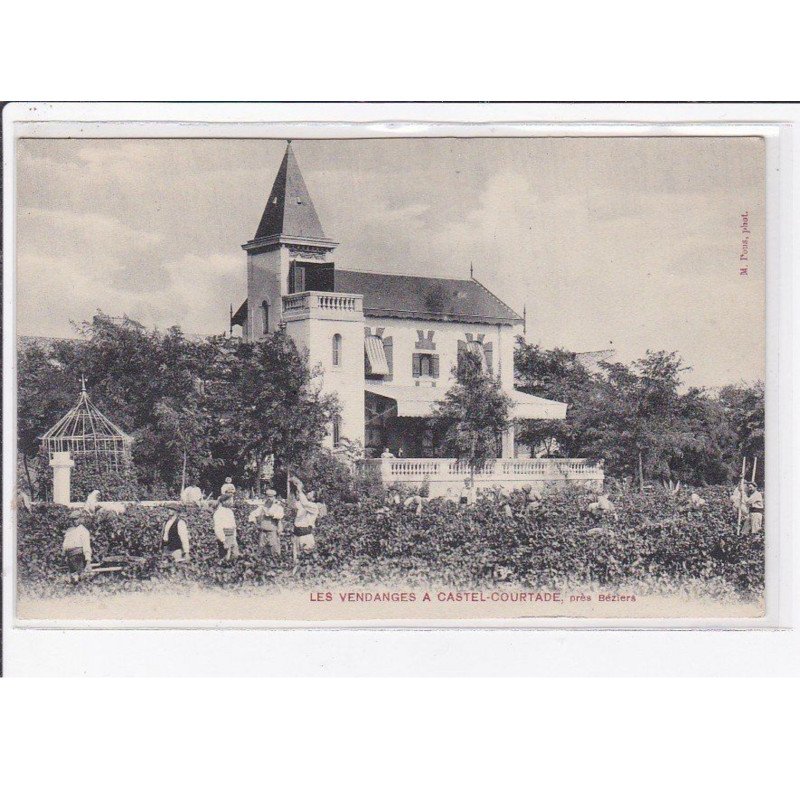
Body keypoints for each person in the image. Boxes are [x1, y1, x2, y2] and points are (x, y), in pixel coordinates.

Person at [289, 476, 323, 574]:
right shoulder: (305, 505)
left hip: (305, 535)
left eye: (311, 493)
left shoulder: (313, 506)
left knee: (307, 556)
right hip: (297, 533)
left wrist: (300, 489)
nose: (309, 493)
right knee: (296, 557)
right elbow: (295, 503)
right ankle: (296, 574)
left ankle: (309, 574)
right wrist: (295, 487)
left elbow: (303, 502)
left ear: (314, 498)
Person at [250, 489, 285, 559]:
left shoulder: (278, 507)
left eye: (271, 497)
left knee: (274, 551)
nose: (269, 498)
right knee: (261, 550)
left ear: (274, 497)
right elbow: (252, 514)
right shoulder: (262, 507)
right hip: (263, 532)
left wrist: (271, 515)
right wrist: (254, 522)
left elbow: (280, 516)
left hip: (272, 532)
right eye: (268, 496)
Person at [62, 510, 92, 583]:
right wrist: (64, 555)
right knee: (73, 577)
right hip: (70, 556)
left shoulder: (83, 531)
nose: (74, 521)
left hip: (78, 556)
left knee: (80, 576)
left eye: (76, 519)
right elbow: (65, 544)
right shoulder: (69, 531)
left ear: (80, 519)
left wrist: (88, 561)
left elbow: (86, 546)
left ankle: (83, 589)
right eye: (72, 519)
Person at [213, 495, 239, 560]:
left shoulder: (230, 511)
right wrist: (223, 541)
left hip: (232, 536)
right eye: (228, 500)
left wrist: (234, 537)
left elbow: (233, 525)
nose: (230, 502)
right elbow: (218, 528)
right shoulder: (218, 513)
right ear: (223, 502)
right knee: (225, 557)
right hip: (224, 536)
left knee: (235, 555)